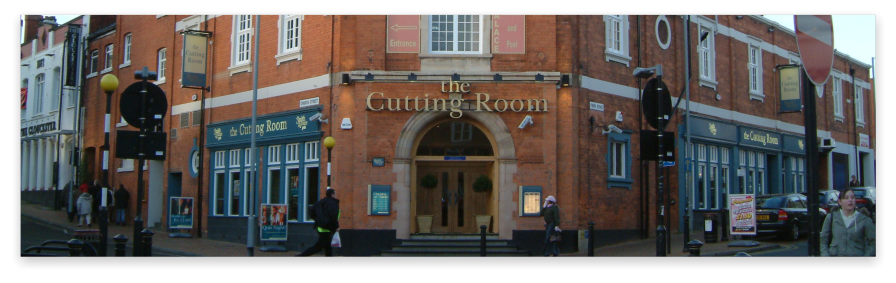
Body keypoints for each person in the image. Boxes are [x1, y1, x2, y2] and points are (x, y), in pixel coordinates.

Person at [820, 188, 875, 256]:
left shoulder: (864, 219)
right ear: (840, 202)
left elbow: (873, 242)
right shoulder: (831, 217)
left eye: (852, 197)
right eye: (846, 198)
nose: (850, 200)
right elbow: (823, 240)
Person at [297, 188, 340, 257]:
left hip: (320, 227)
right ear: (332, 195)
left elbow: (312, 210)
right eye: (335, 194)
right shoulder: (333, 203)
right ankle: (301, 256)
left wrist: (318, 220)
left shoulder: (322, 202)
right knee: (318, 247)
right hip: (327, 228)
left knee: (328, 247)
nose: (336, 195)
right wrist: (336, 227)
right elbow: (333, 217)